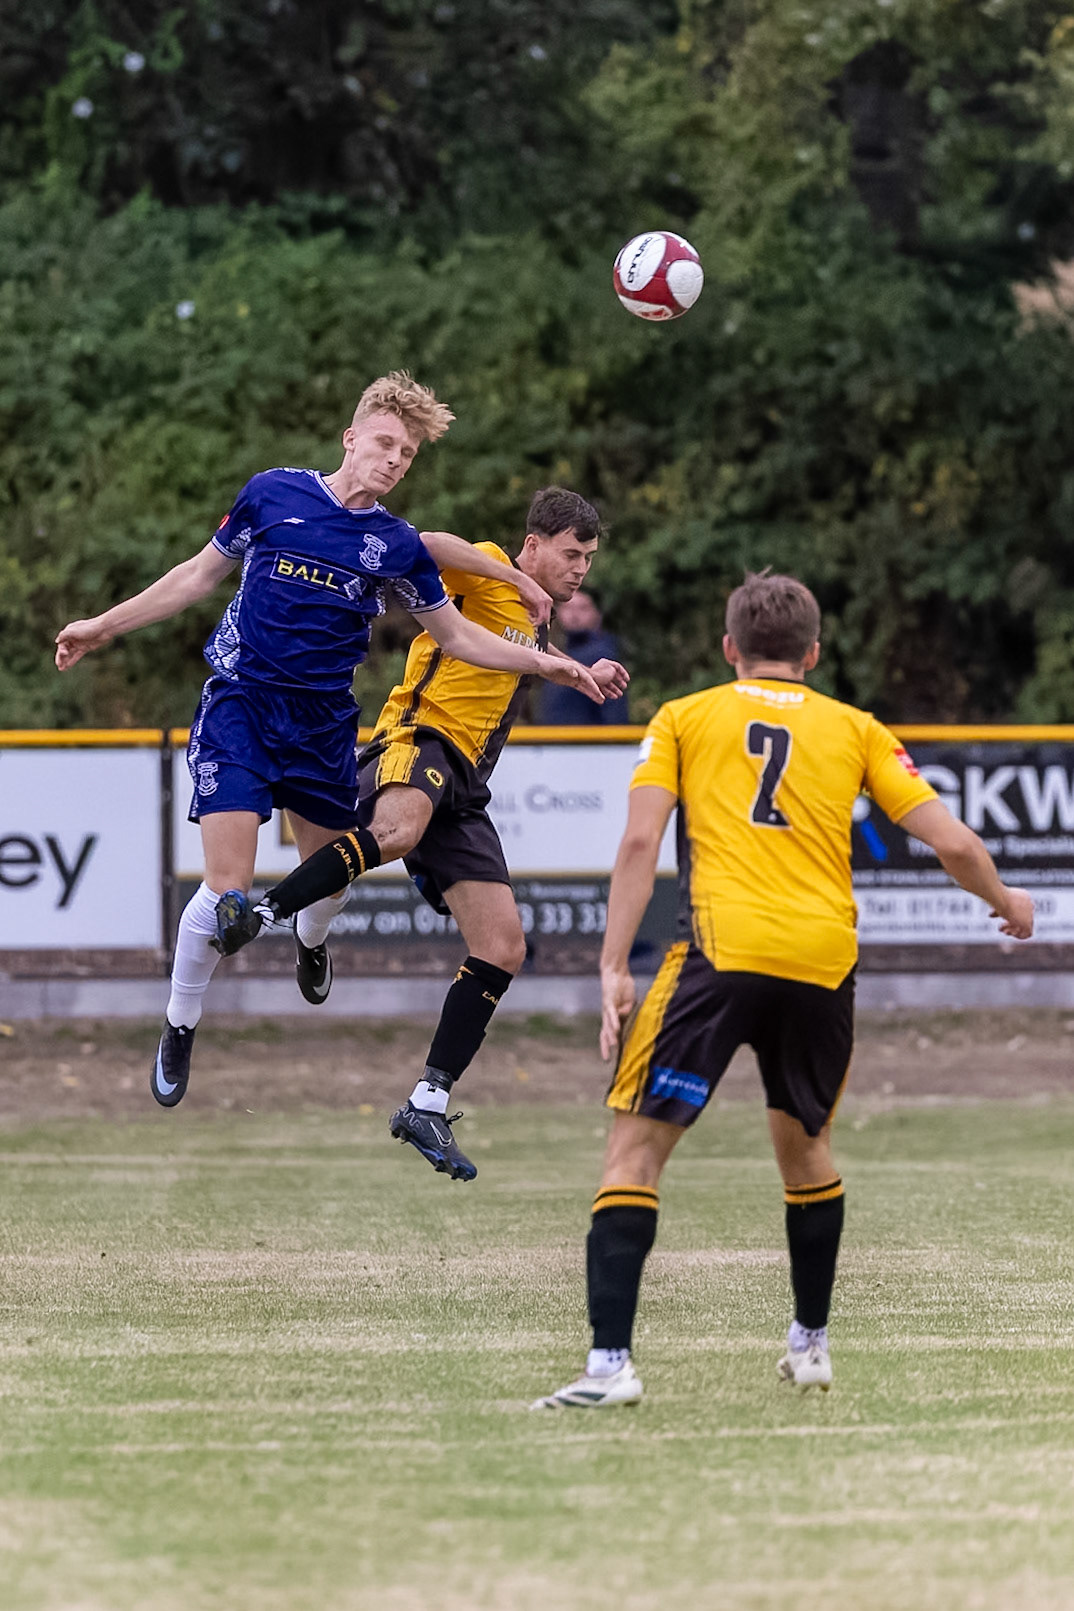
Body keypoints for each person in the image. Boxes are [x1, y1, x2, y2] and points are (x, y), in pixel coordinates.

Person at [532, 571, 1034, 1409]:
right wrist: (1007, 901)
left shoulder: (684, 717)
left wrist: (613, 963)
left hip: (719, 953)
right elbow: (949, 840)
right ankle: (810, 1343)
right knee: (806, 1149)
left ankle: (609, 1365)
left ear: (730, 649)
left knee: (634, 1152)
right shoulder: (857, 727)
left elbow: (637, 846)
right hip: (821, 960)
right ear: (814, 651)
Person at [54, 374, 603, 1109]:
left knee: (332, 875)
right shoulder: (273, 493)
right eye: (384, 444)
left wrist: (548, 659)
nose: (393, 460)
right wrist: (101, 625)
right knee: (226, 894)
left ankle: (312, 940)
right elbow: (194, 576)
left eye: (406, 455)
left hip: (323, 726)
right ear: (351, 438)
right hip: (241, 705)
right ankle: (181, 1022)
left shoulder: (392, 543)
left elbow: (459, 635)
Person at [212, 487, 629, 1180]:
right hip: (419, 738)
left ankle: (427, 1101)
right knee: (397, 829)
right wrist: (513, 574)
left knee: (502, 945)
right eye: (571, 552)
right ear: (534, 544)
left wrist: (586, 672)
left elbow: (519, 666)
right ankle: (262, 911)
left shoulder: (539, 622)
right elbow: (426, 544)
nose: (582, 567)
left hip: (465, 785)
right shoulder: (493, 565)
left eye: (588, 556)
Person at [536, 590, 629, 724]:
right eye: (568, 607)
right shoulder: (556, 648)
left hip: (587, 742)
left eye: (583, 608)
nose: (574, 615)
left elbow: (615, 712)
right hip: (550, 740)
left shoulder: (604, 656)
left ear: (598, 614)